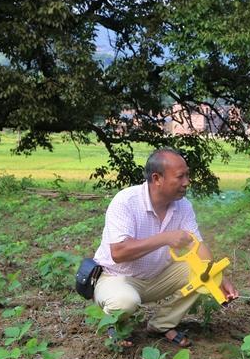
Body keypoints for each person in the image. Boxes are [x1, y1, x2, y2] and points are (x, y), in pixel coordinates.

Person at [92, 147, 238, 347]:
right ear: (157, 178)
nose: (186, 182)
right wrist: (164, 238)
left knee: (201, 273)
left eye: (187, 175)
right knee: (125, 301)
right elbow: (118, 253)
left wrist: (216, 276)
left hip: (156, 279)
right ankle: (114, 324)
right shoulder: (126, 201)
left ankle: (161, 324)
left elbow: (198, 246)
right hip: (117, 277)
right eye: (180, 177)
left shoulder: (183, 206)